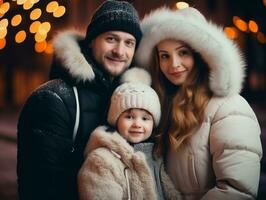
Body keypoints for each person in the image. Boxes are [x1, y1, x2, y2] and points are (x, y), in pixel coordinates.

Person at [16, 1, 143, 200]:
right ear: (92, 40)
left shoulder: (133, 100)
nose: (120, 51)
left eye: (129, 43)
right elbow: (40, 189)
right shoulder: (52, 99)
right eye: (111, 39)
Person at [135, 7, 263, 200]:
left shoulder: (230, 107)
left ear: (201, 55)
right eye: (164, 56)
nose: (174, 64)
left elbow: (237, 191)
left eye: (183, 52)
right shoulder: (163, 106)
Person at [78, 82, 165, 200]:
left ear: (154, 123)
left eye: (145, 118)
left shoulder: (156, 156)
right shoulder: (101, 160)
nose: (137, 124)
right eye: (129, 117)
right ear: (116, 119)